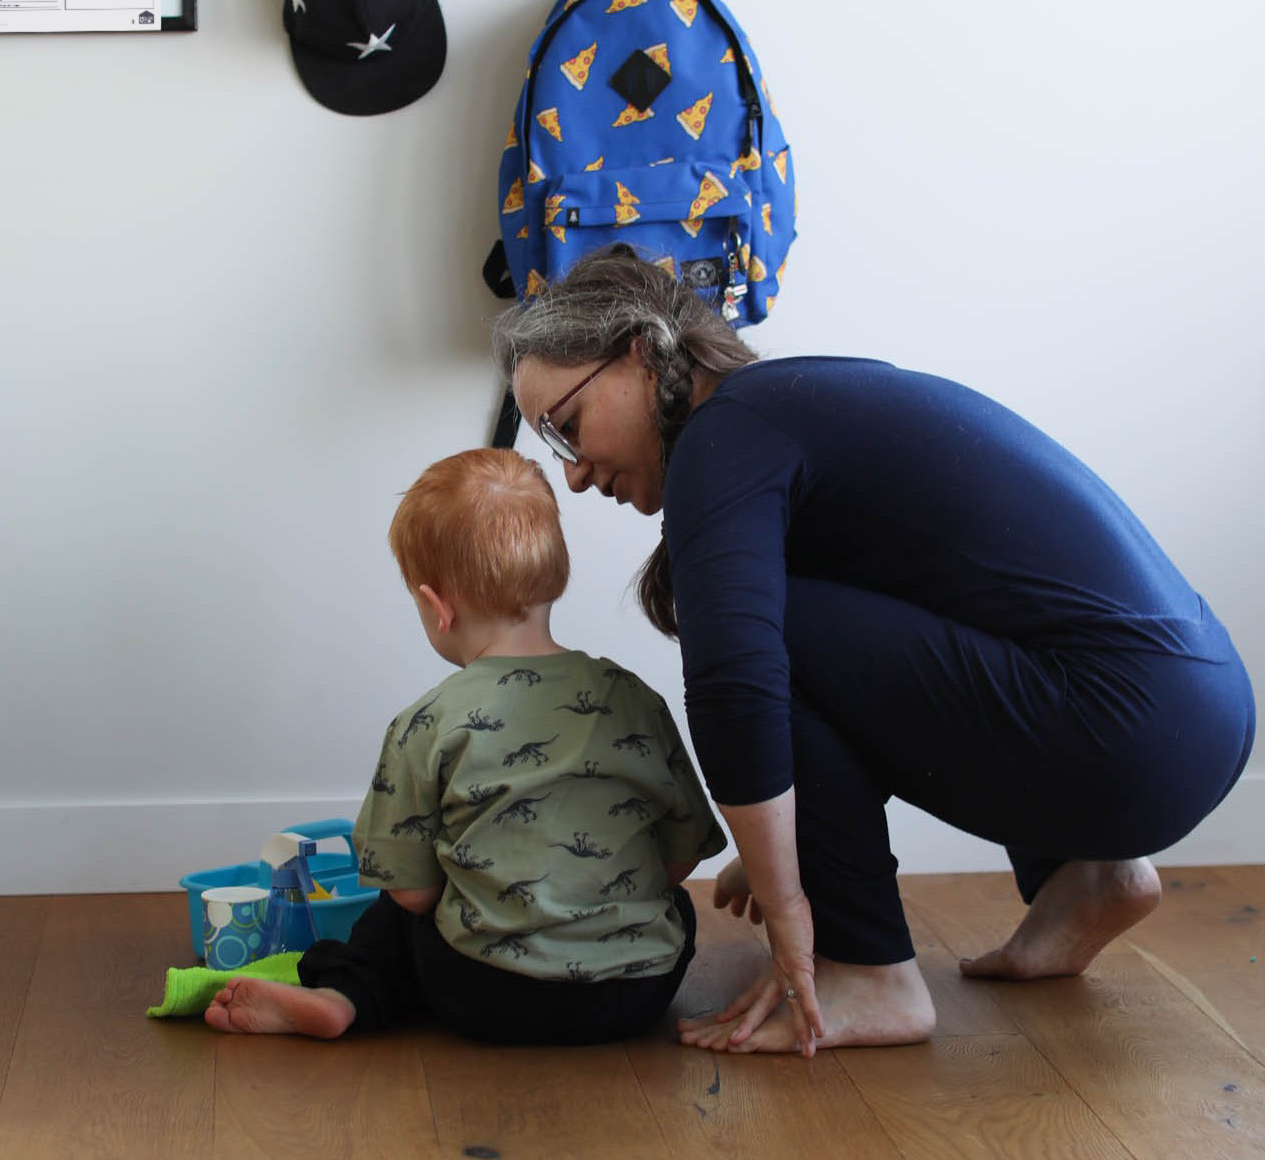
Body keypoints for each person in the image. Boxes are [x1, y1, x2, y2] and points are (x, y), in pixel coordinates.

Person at [491, 244, 1256, 1056]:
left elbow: (738, 689)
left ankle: (870, 972)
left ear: (639, 354)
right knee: (831, 610)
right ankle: (1090, 873)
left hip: (1126, 727)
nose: (571, 476)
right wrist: (795, 843)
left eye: (565, 428)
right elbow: (899, 656)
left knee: (764, 628)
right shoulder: (783, 408)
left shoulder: (724, 438)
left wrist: (793, 913)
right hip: (1199, 712)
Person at [205, 447, 726, 1044]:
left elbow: (413, 891)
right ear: (555, 574)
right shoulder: (636, 701)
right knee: (675, 910)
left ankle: (343, 995)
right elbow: (681, 856)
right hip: (638, 994)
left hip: (486, 995)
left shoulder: (426, 724)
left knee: (393, 918)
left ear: (436, 606)